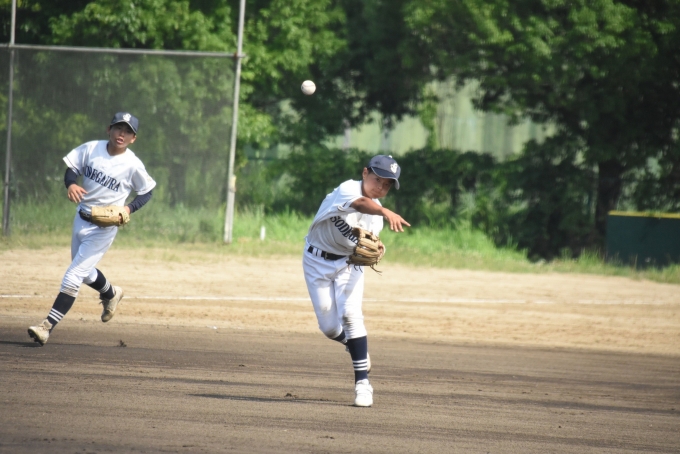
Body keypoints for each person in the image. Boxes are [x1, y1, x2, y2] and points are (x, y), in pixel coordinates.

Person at [28, 112, 156, 346]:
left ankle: (46, 327)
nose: (122, 134)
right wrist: (71, 184)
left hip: (104, 228)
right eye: (118, 128)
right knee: (85, 273)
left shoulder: (133, 164)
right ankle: (111, 293)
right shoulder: (91, 149)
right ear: (109, 129)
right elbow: (72, 167)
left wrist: (128, 209)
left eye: (128, 131)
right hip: (81, 218)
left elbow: (147, 191)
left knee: (73, 275)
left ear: (133, 138)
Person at [302, 154, 410, 407]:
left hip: (348, 264)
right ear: (364, 173)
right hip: (316, 260)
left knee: (351, 315)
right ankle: (352, 345)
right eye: (378, 179)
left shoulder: (376, 219)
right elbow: (361, 203)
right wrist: (385, 210)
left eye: (387, 184)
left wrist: (376, 247)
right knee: (329, 328)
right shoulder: (347, 189)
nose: (381, 187)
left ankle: (363, 384)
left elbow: (366, 243)